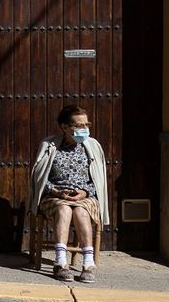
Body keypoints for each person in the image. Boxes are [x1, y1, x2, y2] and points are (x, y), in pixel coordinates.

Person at [27, 105, 108, 283]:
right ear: (64, 127)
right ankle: (60, 262)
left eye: (87, 124)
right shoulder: (49, 146)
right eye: (79, 126)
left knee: (80, 211)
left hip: (85, 197)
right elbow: (39, 178)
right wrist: (56, 191)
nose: (84, 129)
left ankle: (88, 264)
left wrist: (85, 192)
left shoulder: (93, 147)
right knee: (64, 209)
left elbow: (98, 181)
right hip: (54, 196)